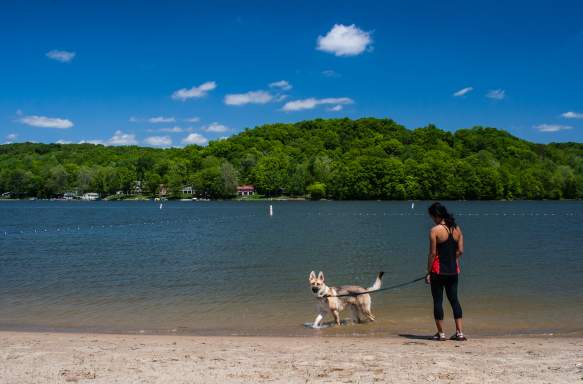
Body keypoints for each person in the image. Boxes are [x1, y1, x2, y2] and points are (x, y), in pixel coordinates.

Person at [425, 202, 466, 341]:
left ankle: (441, 333)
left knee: (438, 301)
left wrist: (428, 272)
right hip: (453, 271)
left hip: (438, 271)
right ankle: (460, 333)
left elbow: (432, 254)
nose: (432, 219)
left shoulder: (434, 230)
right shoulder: (457, 229)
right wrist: (450, 258)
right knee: (454, 300)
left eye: (432, 217)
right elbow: (460, 251)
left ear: (437, 215)